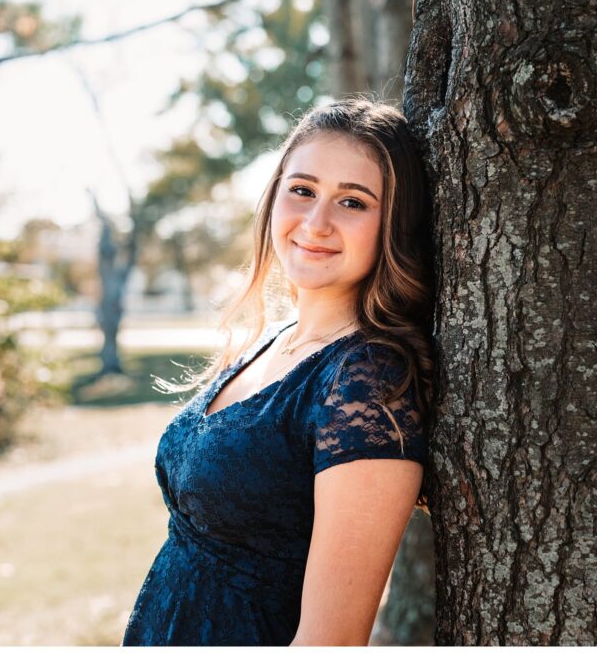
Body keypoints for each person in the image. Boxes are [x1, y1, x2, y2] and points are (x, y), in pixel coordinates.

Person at [121, 97, 435, 646]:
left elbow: (328, 642)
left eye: (354, 203)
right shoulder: (277, 341)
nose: (316, 223)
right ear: (274, 198)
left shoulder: (365, 380)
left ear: (394, 226)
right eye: (303, 190)